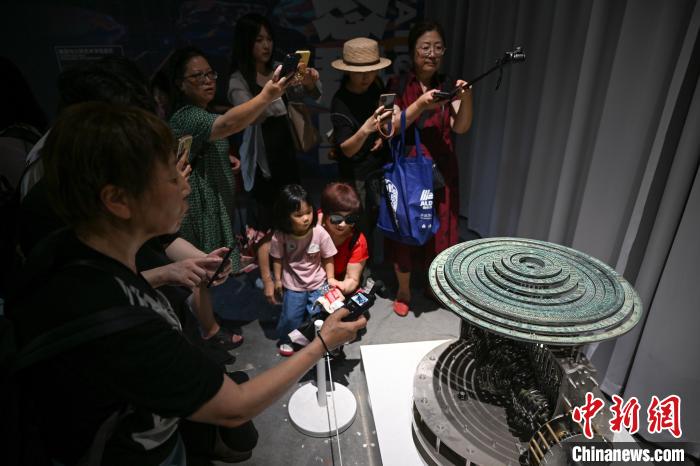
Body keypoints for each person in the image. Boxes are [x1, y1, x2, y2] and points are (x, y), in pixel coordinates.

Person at [8, 102, 366, 465]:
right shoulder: (128, 332)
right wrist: (323, 342)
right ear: (117, 200)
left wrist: (167, 273)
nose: (185, 186)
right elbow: (235, 407)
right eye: (172, 177)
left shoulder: (73, 253)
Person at [17, 57, 244, 350]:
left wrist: (192, 264)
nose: (184, 186)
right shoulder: (52, 191)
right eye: (171, 179)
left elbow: (160, 241)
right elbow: (80, 296)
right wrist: (166, 273)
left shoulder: (111, 172)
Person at [166, 45, 290, 272]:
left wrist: (223, 157)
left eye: (210, 74)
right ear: (180, 83)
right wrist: (266, 96)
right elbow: (228, 124)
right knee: (201, 274)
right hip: (198, 214)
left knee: (211, 273)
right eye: (197, 76)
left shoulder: (203, 112)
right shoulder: (187, 115)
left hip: (214, 209)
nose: (207, 80)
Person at [228, 13, 322, 306]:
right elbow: (248, 114)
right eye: (259, 40)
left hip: (285, 153)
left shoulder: (281, 70)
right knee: (265, 220)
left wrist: (309, 83)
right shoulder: (238, 79)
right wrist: (274, 93)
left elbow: (312, 96)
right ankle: (269, 280)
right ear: (246, 43)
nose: (266, 45)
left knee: (291, 212)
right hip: (261, 158)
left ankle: (291, 272)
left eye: (269, 39)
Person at [385, 20, 473, 316]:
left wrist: (467, 98)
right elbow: (391, 127)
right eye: (425, 47)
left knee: (441, 229)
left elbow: (461, 126)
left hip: (441, 170)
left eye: (438, 48)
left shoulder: (448, 86)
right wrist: (421, 105)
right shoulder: (397, 85)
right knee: (406, 227)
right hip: (409, 170)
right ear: (413, 51)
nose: (432, 54)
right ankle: (404, 289)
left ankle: (434, 286)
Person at [330, 38, 394, 263]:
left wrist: (382, 135)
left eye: (372, 70)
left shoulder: (377, 87)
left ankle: (371, 266)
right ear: (348, 71)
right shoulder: (341, 101)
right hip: (355, 174)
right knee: (359, 226)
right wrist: (366, 129)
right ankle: (360, 273)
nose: (367, 76)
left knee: (377, 219)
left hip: (379, 167)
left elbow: (386, 121)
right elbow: (346, 149)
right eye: (360, 72)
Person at [270, 184, 337, 357]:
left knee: (319, 313)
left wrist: (330, 279)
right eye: (298, 215)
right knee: (291, 316)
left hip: (319, 282)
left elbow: (328, 256)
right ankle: (287, 339)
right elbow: (277, 258)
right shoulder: (281, 235)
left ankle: (316, 340)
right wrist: (277, 280)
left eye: (308, 212)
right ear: (286, 216)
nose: (306, 218)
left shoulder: (319, 232)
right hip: (293, 284)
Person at [319, 182, 369, 295]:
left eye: (350, 219)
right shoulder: (311, 227)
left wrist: (336, 291)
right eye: (336, 218)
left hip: (337, 283)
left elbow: (352, 279)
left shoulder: (357, 241)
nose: (342, 224)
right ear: (325, 213)